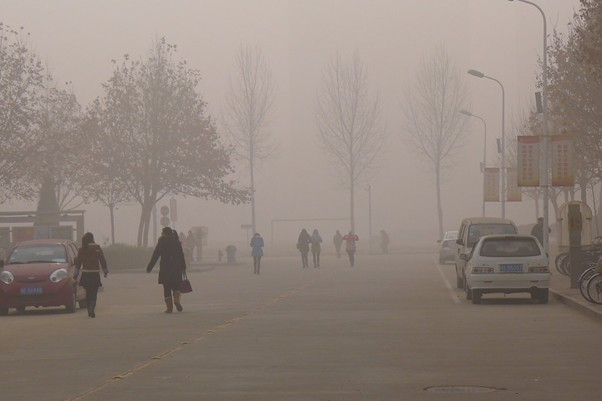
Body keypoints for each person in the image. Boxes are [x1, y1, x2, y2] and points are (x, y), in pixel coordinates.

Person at [146, 227, 187, 313]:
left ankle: (169, 308)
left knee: (167, 288)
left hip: (166, 268)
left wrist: (150, 267)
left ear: (164, 233)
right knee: (176, 286)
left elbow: (156, 254)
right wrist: (183, 267)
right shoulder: (176, 242)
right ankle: (177, 300)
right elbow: (181, 255)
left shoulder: (162, 242)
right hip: (176, 268)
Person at [74, 232, 108, 318]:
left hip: (86, 274)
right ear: (92, 238)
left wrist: (75, 275)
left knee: (88, 293)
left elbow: (78, 263)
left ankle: (89, 308)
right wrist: (105, 271)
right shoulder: (97, 247)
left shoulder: (82, 249)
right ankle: (91, 307)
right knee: (94, 293)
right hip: (95, 274)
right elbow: (102, 260)